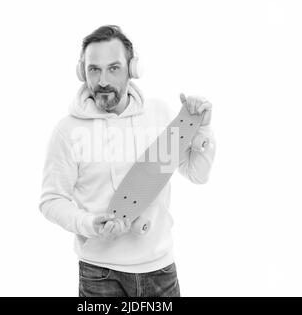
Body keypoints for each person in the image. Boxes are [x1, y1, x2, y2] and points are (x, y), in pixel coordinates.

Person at [39, 25, 216, 297]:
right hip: (100, 274)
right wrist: (89, 223)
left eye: (114, 68)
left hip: (160, 269)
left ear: (133, 69)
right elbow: (51, 201)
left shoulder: (157, 114)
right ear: (81, 72)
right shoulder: (68, 131)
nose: (102, 80)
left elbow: (196, 173)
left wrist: (201, 128)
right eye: (93, 69)